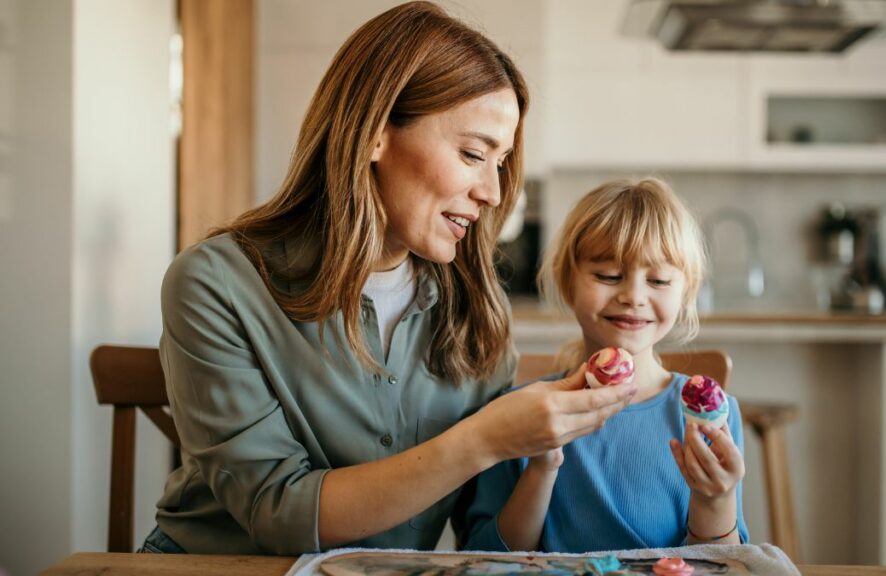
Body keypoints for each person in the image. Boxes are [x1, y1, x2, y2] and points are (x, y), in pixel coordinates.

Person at [143, 2, 637, 555]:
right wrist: (485, 438)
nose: (493, 193)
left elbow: (490, 539)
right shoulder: (215, 283)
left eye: (500, 163)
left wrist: (543, 455)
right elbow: (277, 511)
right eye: (473, 153)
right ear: (374, 136)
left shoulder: (476, 308)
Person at [463, 178, 749, 552]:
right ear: (568, 281)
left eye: (659, 280)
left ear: (686, 293)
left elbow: (719, 562)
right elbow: (488, 557)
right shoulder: (519, 410)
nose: (633, 296)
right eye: (608, 276)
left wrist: (715, 500)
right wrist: (541, 468)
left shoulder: (712, 418)